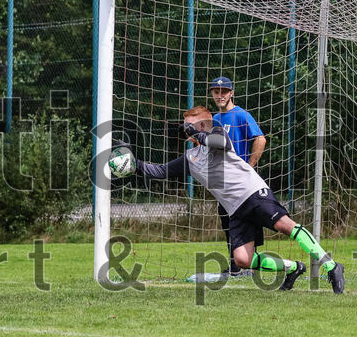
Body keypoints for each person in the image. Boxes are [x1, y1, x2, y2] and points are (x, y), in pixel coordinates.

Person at [119, 105, 344, 293]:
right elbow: (159, 171)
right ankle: (294, 267)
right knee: (243, 260)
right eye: (185, 125)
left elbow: (220, 143)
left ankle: (332, 266)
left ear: (203, 125)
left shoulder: (218, 135)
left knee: (286, 226)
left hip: (253, 193)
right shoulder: (190, 157)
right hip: (235, 209)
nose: (185, 129)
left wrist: (198, 134)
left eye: (190, 125)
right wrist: (133, 164)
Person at [208, 76, 267, 276]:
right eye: (216, 92)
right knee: (227, 223)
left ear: (231, 93)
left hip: (242, 182)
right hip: (223, 182)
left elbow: (260, 139)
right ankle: (235, 265)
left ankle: (249, 264)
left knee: (247, 221)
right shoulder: (214, 120)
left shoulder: (241, 115)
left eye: (224, 91)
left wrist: (250, 166)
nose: (220, 95)